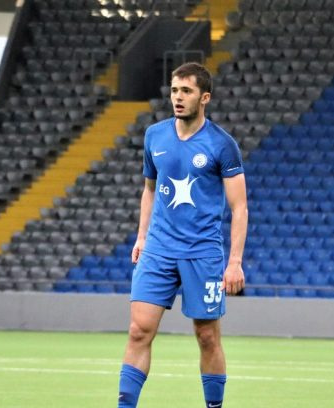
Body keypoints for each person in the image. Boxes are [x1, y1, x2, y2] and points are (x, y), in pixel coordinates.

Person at [117, 62, 247, 408]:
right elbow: (149, 189)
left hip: (202, 253)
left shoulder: (222, 145)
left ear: (204, 98)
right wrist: (141, 237)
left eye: (186, 91)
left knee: (207, 336)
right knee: (138, 331)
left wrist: (234, 262)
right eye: (174, 90)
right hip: (158, 249)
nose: (177, 97)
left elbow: (240, 207)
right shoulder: (155, 136)